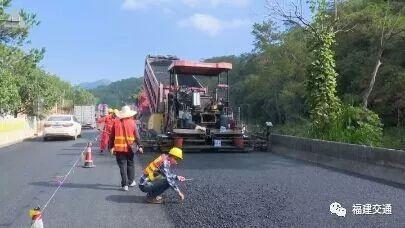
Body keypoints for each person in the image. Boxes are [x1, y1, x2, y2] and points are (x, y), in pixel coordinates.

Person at [109, 106, 143, 191]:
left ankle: (125, 185)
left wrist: (111, 147)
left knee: (122, 166)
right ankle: (131, 181)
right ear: (129, 114)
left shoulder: (116, 123)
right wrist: (140, 146)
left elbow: (112, 137)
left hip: (119, 149)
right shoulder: (132, 123)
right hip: (130, 148)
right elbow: (137, 136)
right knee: (130, 164)